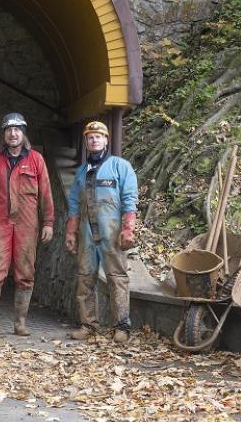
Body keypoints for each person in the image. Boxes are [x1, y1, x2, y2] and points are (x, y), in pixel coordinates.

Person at [0, 113, 54, 337]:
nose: (13, 133)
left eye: (17, 129)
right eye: (9, 130)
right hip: (1, 221)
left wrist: (48, 221)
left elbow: (46, 193)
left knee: (25, 273)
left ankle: (20, 323)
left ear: (23, 132)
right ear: (4, 134)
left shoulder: (36, 159)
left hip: (28, 224)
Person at [64, 120, 138, 344]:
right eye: (90, 137)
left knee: (117, 278)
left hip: (112, 232)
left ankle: (121, 327)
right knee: (85, 278)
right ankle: (88, 325)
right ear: (86, 142)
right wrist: (70, 232)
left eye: (99, 136)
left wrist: (127, 229)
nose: (94, 139)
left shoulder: (120, 166)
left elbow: (129, 198)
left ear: (106, 140)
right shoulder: (81, 171)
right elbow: (75, 203)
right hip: (87, 234)